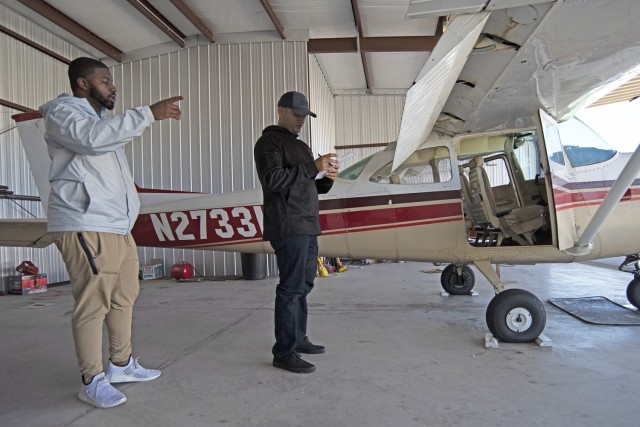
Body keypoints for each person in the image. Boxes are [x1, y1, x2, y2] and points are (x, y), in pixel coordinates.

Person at [39, 57, 183, 408]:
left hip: (116, 225)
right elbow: (90, 141)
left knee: (125, 295)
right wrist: (147, 114)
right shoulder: (64, 113)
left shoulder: (101, 121)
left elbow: (102, 145)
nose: (113, 86)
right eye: (105, 80)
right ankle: (92, 379)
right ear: (83, 83)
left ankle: (121, 364)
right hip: (87, 223)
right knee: (93, 303)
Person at [254, 91, 339, 374]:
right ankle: (284, 352)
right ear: (281, 110)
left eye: (305, 116)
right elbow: (273, 180)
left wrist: (325, 181)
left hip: (307, 225)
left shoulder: (301, 147)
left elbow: (305, 185)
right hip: (288, 225)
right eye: (297, 114)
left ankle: (298, 337)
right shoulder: (269, 143)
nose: (302, 120)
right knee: (291, 289)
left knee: (303, 285)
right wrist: (312, 166)